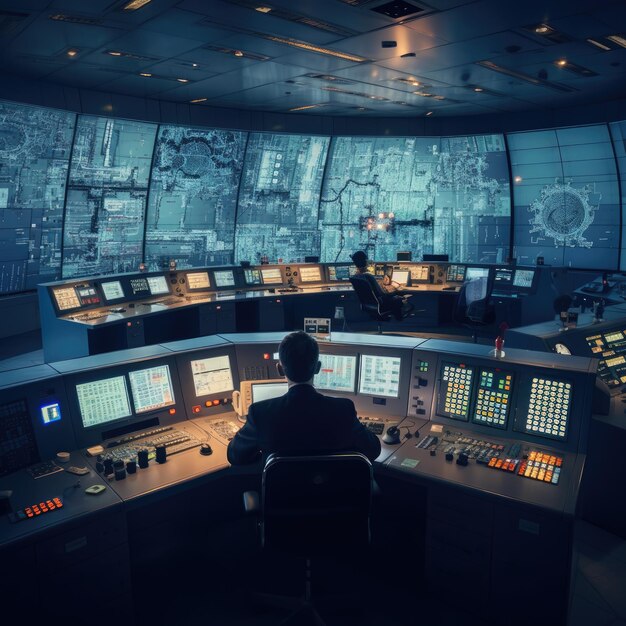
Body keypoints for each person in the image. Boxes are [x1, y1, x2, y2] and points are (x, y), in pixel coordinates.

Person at [227, 331, 381, 465]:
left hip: (282, 498)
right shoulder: (343, 409)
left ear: (280, 369)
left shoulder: (260, 413)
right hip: (332, 496)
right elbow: (373, 450)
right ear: (317, 368)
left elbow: (235, 456)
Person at [350, 250, 413, 321]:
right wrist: (394, 289)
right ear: (365, 261)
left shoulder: (355, 277)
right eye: (367, 259)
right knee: (398, 298)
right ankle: (400, 321)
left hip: (369, 305)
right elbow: (382, 294)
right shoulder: (368, 276)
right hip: (381, 305)